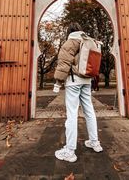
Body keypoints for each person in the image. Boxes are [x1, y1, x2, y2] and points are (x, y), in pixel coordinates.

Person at [53, 22, 103, 163]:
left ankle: (70, 151)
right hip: (87, 80)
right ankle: (95, 142)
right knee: (89, 111)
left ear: (69, 31)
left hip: (74, 81)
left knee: (72, 114)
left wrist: (58, 82)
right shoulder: (88, 41)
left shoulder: (70, 42)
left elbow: (64, 64)